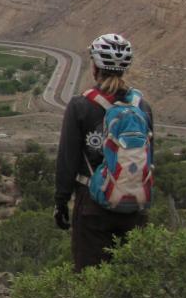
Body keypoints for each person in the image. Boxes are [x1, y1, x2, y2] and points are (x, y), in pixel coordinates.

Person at [53, 33, 154, 271]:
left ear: (95, 67)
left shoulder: (81, 106)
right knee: (131, 280)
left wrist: (61, 201)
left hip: (92, 204)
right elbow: (150, 158)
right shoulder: (142, 107)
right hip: (134, 206)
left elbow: (67, 160)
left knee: (90, 279)